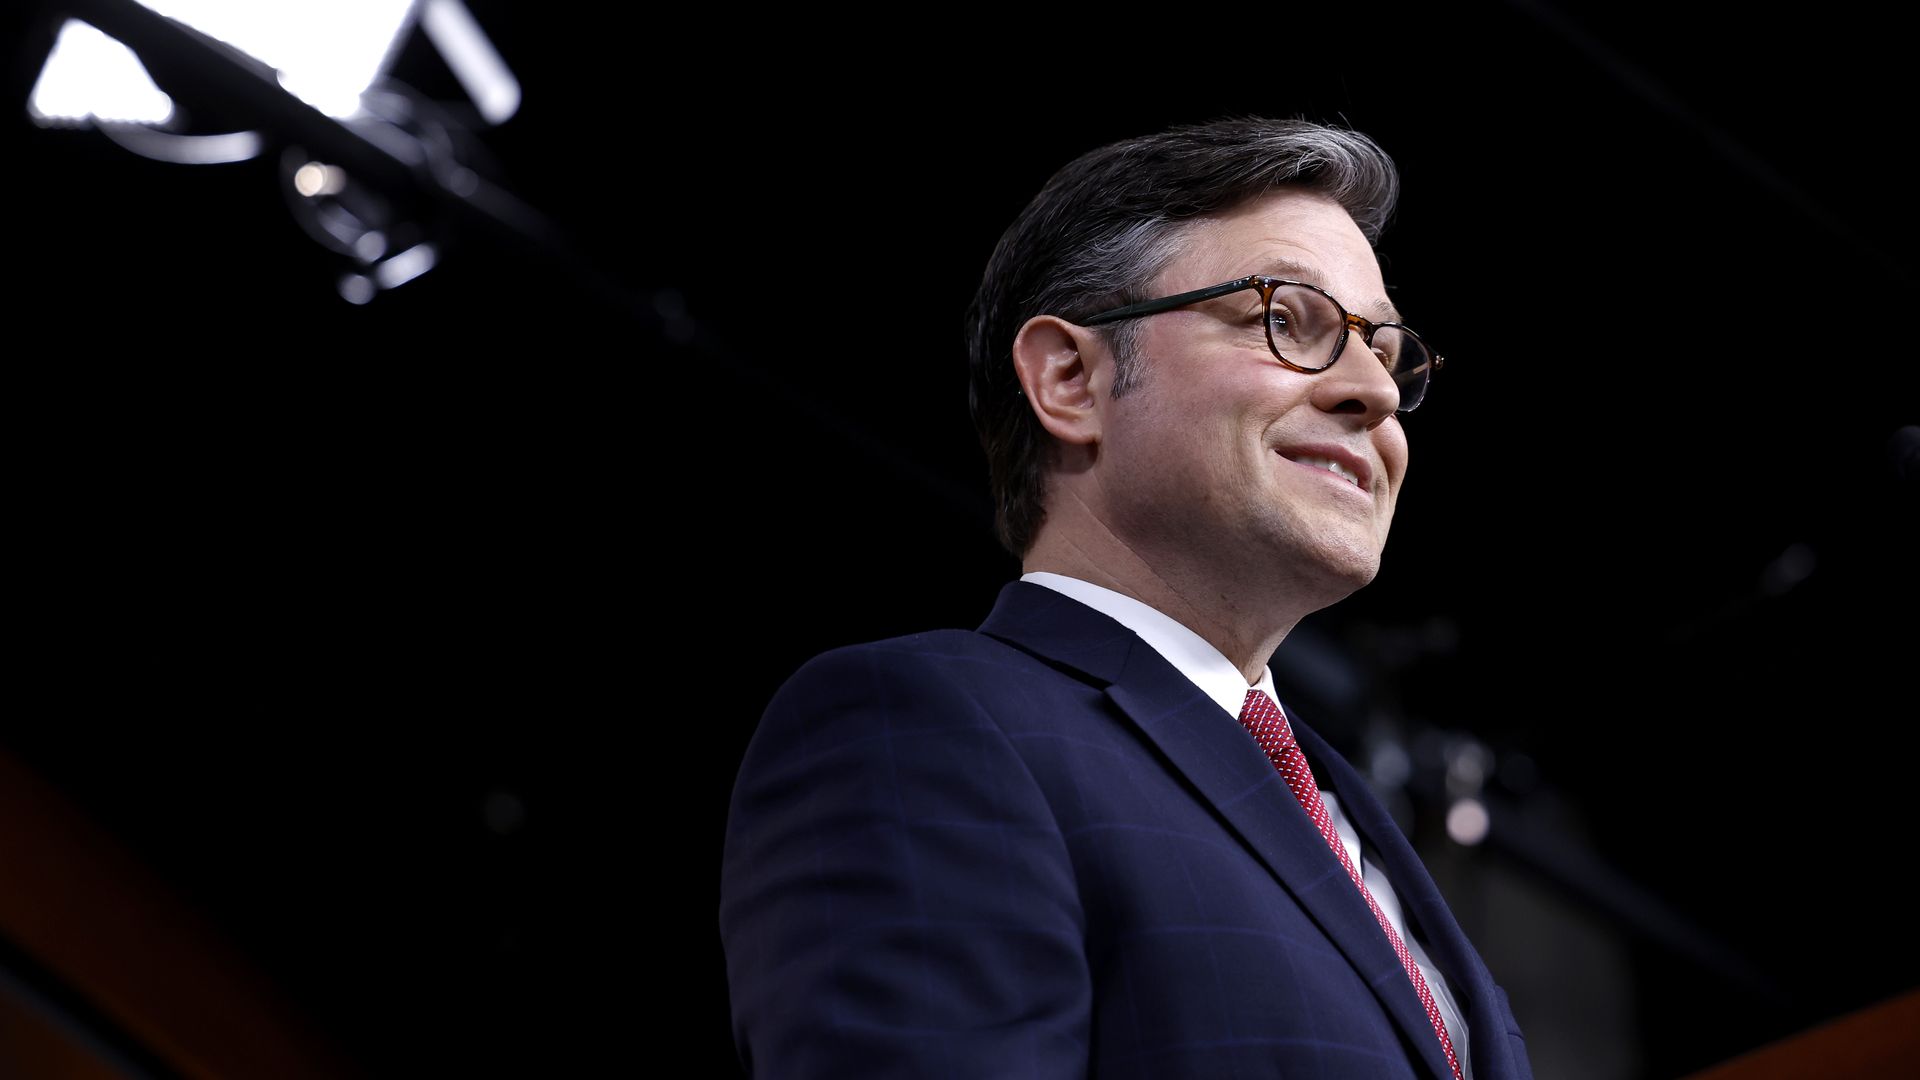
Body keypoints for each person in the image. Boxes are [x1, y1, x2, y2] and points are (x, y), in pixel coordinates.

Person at [718, 116, 1533, 1080]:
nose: (1378, 393)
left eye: (1388, 352)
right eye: (1285, 319)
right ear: (1071, 379)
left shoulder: (1355, 823)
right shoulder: (919, 727)